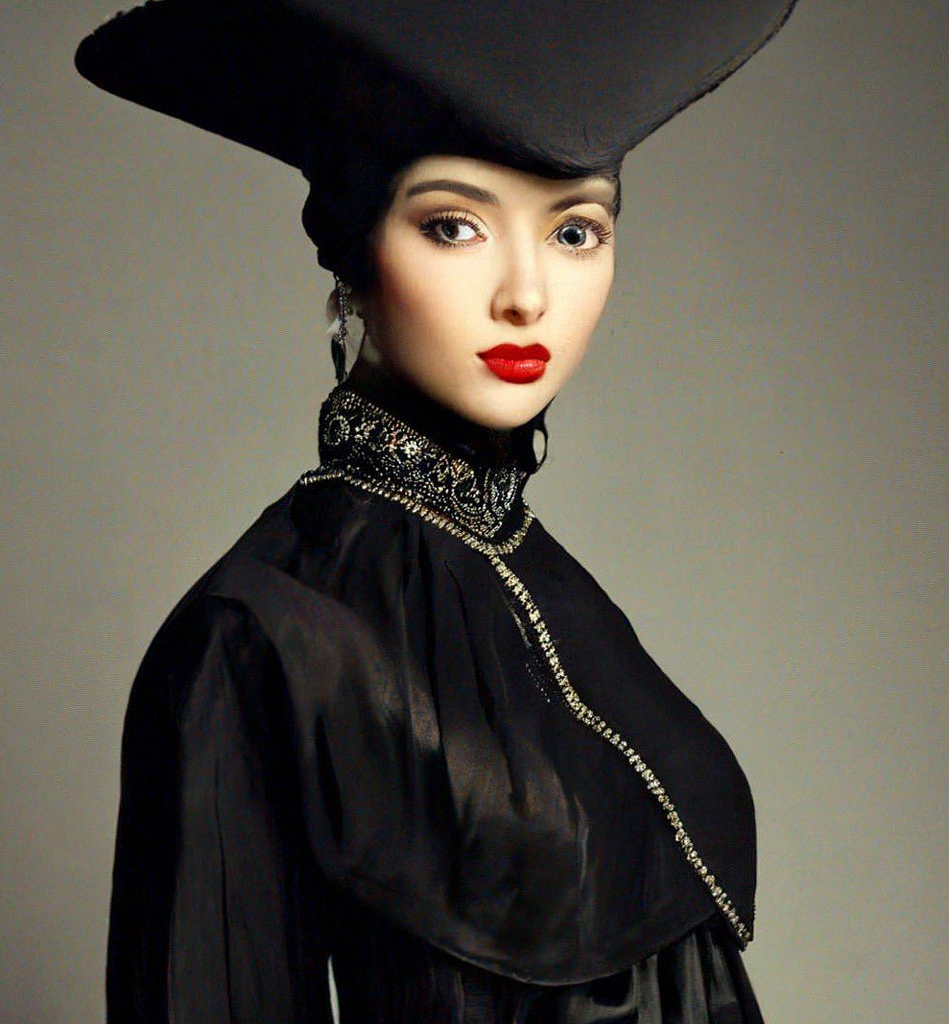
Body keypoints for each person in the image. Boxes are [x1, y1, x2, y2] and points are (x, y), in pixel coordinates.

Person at [75, 1, 799, 1021]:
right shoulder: (254, 635)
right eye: (454, 225)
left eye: (575, 230)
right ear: (355, 252)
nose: (526, 294)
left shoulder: (543, 582)